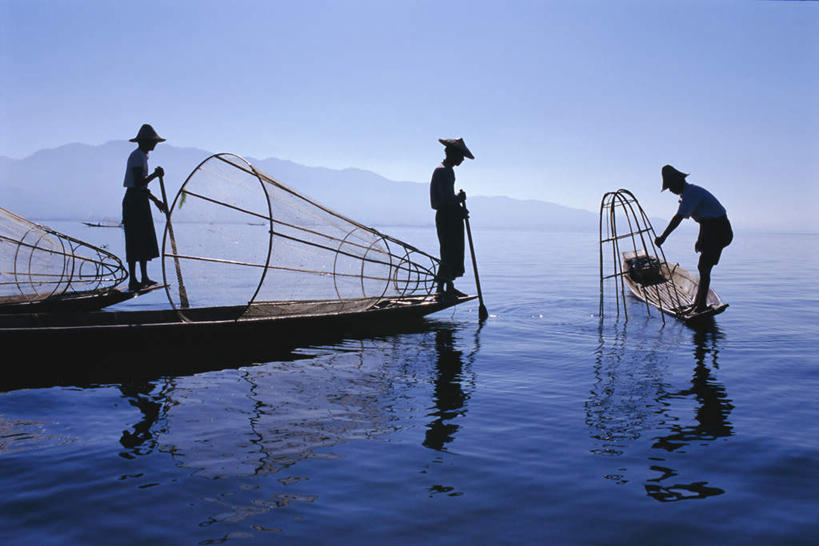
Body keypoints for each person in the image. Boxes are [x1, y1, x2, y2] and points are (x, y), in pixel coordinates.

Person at [654, 165, 733, 314]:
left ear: (678, 182)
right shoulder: (688, 194)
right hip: (712, 230)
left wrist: (663, 237)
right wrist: (700, 239)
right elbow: (705, 219)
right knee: (703, 267)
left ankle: (700, 305)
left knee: (704, 267)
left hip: (720, 231)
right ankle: (698, 303)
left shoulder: (691, 194)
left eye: (671, 186)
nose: (670, 190)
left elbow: (678, 218)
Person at [122, 124, 167, 291]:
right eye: (152, 142)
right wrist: (155, 175)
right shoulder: (136, 157)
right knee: (134, 240)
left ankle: (144, 277)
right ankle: (134, 279)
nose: (155, 145)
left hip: (140, 199)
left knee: (144, 240)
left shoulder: (143, 156)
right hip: (133, 201)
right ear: (145, 142)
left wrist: (156, 201)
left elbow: (142, 187)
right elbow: (139, 183)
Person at [430, 137, 474, 299]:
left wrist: (459, 208)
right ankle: (441, 289)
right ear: (453, 154)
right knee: (448, 252)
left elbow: (448, 200)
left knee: (453, 252)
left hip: (450, 216)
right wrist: (459, 198)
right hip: (446, 218)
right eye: (460, 156)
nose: (462, 159)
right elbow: (445, 200)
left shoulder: (447, 170)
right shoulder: (443, 170)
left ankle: (448, 287)